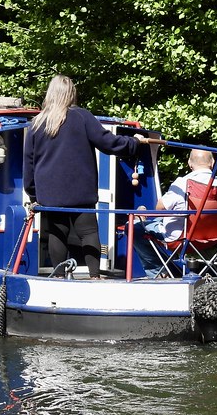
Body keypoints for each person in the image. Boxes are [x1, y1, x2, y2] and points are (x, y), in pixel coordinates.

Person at [23, 74, 145, 278]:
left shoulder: (36, 124)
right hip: (81, 191)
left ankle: (59, 277)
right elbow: (109, 143)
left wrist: (34, 194)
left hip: (50, 194)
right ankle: (95, 276)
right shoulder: (82, 117)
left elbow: (29, 162)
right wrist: (134, 143)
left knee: (57, 232)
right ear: (72, 93)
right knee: (88, 232)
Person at [133, 148, 217, 277]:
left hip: (180, 237)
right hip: (211, 237)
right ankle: (170, 268)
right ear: (213, 162)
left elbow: (160, 208)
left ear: (189, 163)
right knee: (158, 221)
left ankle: (159, 272)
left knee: (133, 228)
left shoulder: (183, 183)